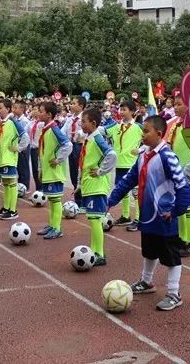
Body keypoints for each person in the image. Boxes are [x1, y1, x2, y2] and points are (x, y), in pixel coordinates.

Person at [106, 115, 190, 311]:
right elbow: (129, 179)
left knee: (170, 256)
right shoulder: (143, 155)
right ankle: (146, 282)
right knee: (149, 250)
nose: (142, 135)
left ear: (159, 133)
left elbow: (183, 186)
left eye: (146, 131)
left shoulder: (168, 157)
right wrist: (112, 199)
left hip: (164, 216)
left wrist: (176, 211)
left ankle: (174, 293)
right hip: (147, 215)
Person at [165, 95, 190, 257]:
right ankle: (182, 240)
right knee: (180, 208)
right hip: (176, 172)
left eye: (179, 104)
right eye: (174, 104)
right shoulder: (176, 125)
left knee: (189, 207)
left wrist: (189, 170)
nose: (175, 107)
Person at [77, 107, 116, 265]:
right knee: (93, 219)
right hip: (89, 185)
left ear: (93, 123)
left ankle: (99, 253)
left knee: (95, 220)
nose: (81, 124)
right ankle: (95, 250)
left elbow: (112, 154)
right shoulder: (89, 138)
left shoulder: (97, 138)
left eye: (84, 122)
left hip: (97, 186)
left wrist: (100, 171)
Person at [34, 101, 72, 239]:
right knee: (51, 199)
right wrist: (40, 168)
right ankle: (52, 225)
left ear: (49, 114)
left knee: (56, 200)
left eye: (41, 111)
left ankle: (57, 228)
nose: (39, 113)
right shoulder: (46, 129)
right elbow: (43, 151)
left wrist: (58, 159)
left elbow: (68, 145)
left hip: (55, 172)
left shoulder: (54, 129)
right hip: (48, 171)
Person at [106, 100, 143, 230]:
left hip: (132, 164)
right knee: (122, 190)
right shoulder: (115, 126)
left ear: (132, 112)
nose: (121, 112)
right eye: (120, 110)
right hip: (119, 164)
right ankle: (125, 216)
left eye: (124, 110)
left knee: (136, 192)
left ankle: (139, 219)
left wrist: (140, 150)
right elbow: (101, 132)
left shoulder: (139, 127)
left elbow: (151, 140)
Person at [0, 99, 29, 220]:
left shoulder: (13, 122)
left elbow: (25, 137)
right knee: (6, 183)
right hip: (0, 158)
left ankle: (13, 210)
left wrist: (18, 148)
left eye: (1, 108)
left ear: (8, 109)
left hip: (9, 158)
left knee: (12, 183)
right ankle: (6, 207)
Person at [65, 96, 87, 207]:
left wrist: (80, 133)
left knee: (80, 173)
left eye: (74, 103)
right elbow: (63, 131)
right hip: (71, 146)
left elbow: (89, 132)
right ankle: (78, 200)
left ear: (81, 106)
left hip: (81, 146)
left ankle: (83, 201)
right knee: (73, 173)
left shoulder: (85, 118)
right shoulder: (69, 119)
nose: (71, 105)